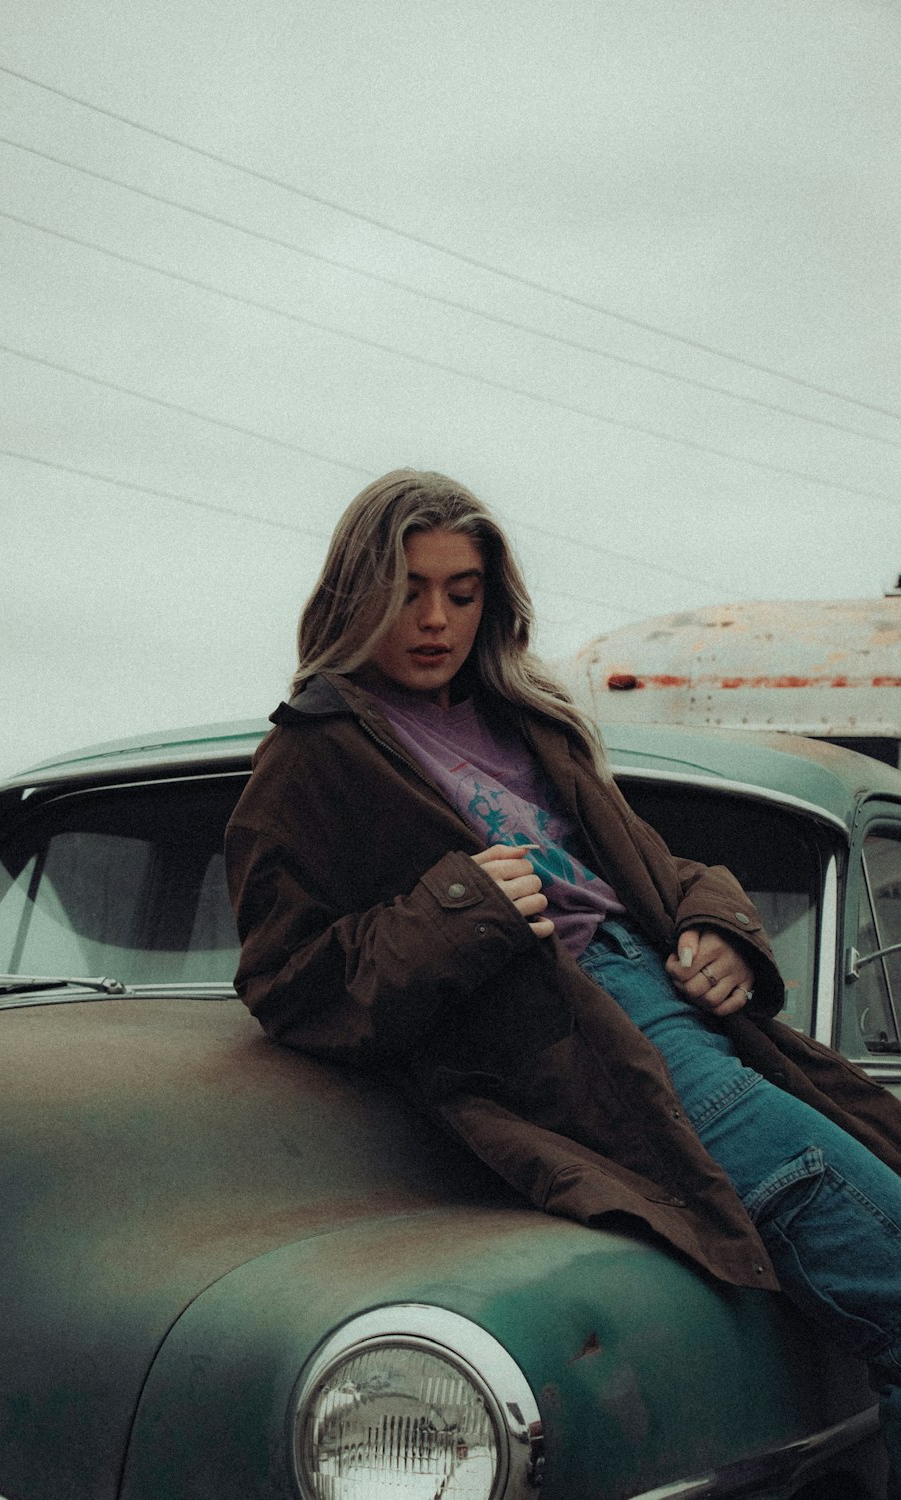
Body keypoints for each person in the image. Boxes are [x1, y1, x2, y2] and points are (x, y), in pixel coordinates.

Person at [227, 468, 901, 1477]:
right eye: (408, 588)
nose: (435, 620)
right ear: (353, 593)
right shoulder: (314, 756)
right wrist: (462, 906)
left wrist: (717, 928)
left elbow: (656, 868)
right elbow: (289, 981)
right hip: (587, 1045)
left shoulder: (525, 720)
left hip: (678, 1009)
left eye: (462, 593)